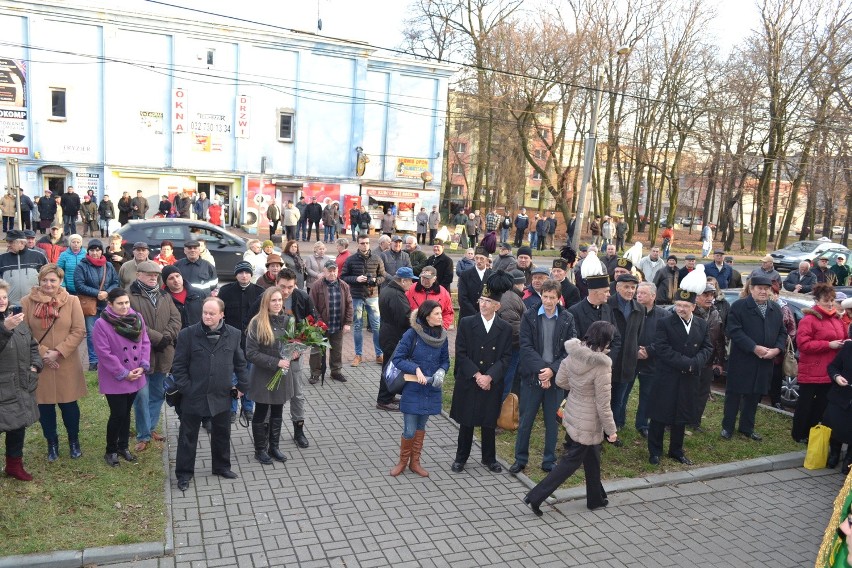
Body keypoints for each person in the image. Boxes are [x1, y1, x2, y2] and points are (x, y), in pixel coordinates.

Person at [522, 321, 618, 516]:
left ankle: (596, 498)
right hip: (589, 420)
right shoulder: (602, 367)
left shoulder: (573, 354)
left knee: (592, 457)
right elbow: (603, 403)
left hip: (574, 411)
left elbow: (560, 381)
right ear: (605, 341)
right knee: (569, 463)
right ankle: (535, 497)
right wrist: (611, 430)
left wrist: (578, 390)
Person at [173, 297, 249, 492]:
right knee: (188, 436)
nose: (207, 316)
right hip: (193, 394)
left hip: (221, 394)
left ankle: (221, 467)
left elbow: (240, 363)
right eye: (205, 312)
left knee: (222, 433)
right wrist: (187, 388)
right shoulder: (187, 334)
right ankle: (184, 474)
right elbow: (178, 366)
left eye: (212, 313)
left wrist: (242, 385)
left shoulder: (233, 334)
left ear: (222, 314)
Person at [510, 280, 576, 476]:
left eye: (552, 298)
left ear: (558, 298)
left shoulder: (567, 318)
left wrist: (552, 371)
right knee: (526, 421)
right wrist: (542, 371)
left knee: (551, 423)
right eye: (545, 297)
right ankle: (520, 459)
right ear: (541, 296)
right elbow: (526, 346)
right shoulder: (529, 316)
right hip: (532, 377)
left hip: (556, 379)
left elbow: (570, 349)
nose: (548, 301)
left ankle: (549, 460)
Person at [21, 264, 87, 461]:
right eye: (45, 280)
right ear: (39, 281)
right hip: (40, 363)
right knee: (45, 407)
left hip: (65, 361)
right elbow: (24, 333)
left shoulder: (72, 301)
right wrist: (43, 353)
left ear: (60, 282)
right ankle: (52, 443)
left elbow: (79, 330)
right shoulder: (27, 302)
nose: (48, 284)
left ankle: (74, 442)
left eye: (53, 280)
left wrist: (58, 352)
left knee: (69, 406)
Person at [449, 283, 512, 473]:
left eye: (488, 301)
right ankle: (461, 457)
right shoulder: (467, 323)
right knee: (466, 422)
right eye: (482, 300)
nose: (483, 305)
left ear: (497, 306)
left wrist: (490, 377)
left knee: (488, 420)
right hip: (470, 378)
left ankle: (489, 458)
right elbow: (461, 353)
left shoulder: (505, 328)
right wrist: (477, 375)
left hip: (491, 381)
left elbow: (506, 357)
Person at [647, 284, 713, 466]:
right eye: (678, 305)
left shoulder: (701, 324)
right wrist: (686, 363)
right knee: (660, 415)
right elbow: (662, 348)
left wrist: (697, 362)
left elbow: (707, 347)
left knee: (681, 415)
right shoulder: (665, 322)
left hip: (689, 378)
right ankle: (655, 451)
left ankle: (676, 450)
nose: (681, 309)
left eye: (685, 306)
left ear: (693, 306)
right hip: (667, 377)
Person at [388, 300, 450, 478]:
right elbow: (398, 359)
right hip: (413, 388)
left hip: (431, 389)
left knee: (421, 427)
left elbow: (446, 360)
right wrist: (415, 368)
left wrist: (441, 371)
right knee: (409, 429)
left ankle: (415, 462)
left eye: (441, 313)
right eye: (437, 314)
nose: (441, 316)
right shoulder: (412, 334)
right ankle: (402, 462)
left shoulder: (442, 336)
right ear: (427, 316)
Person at [722, 275, 787, 441]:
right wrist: (753, 347)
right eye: (760, 288)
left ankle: (747, 427)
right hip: (742, 360)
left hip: (765, 361)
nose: (763, 292)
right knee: (734, 395)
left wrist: (777, 349)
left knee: (754, 396)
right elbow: (734, 330)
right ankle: (727, 427)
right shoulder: (739, 306)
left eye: (766, 289)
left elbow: (782, 332)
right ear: (751, 289)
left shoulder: (775, 308)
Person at [92, 288, 150, 466]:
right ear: (110, 304)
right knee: (117, 414)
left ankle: (123, 446)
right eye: (120, 303)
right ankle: (110, 450)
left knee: (126, 413)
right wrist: (123, 373)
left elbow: (145, 342)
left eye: (127, 302)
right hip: (115, 377)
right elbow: (104, 353)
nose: (125, 306)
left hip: (136, 373)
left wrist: (143, 365)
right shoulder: (101, 324)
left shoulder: (137, 318)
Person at [244, 287, 302, 465]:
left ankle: (274, 447)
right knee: (261, 412)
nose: (277, 304)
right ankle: (260, 449)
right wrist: (275, 362)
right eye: (273, 300)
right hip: (263, 375)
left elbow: (294, 346)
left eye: (279, 300)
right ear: (266, 302)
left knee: (278, 410)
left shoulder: (288, 321)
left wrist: (295, 354)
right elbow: (251, 353)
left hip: (282, 375)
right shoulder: (257, 323)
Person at [792, 283, 848, 443]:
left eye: (832, 300)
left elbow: (843, 339)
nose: (830, 303)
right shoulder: (809, 319)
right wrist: (828, 345)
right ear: (817, 300)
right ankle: (799, 434)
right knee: (805, 404)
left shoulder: (837, 320)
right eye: (826, 300)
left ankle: (812, 432)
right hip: (812, 370)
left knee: (822, 405)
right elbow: (803, 344)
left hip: (830, 371)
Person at [0, 278, 42, 480]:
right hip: (2, 388)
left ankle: (14, 466)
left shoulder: (15, 318)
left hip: (19, 384)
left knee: (17, 427)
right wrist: (4, 329)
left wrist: (35, 366)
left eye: (4, 296)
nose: (2, 300)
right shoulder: (8, 323)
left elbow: (32, 345)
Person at [217, 261, 264, 419]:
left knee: (249, 375)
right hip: (231, 341)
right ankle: (231, 408)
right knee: (231, 376)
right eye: (240, 272)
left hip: (251, 342)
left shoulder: (259, 292)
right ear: (236, 275)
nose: (244, 275)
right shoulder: (225, 291)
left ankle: (248, 407)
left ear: (251, 274)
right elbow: (220, 315)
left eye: (247, 272)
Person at [74, 239, 120, 371]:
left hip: (106, 304)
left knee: (109, 332)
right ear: (88, 251)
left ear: (101, 251)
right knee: (92, 333)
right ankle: (94, 361)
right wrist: (96, 293)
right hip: (90, 305)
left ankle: (109, 359)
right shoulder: (82, 266)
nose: (95, 253)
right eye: (92, 250)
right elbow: (79, 284)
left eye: (98, 250)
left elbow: (116, 282)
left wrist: (107, 292)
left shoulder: (108, 266)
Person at [607, 273, 644, 433]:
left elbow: (638, 335)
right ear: (617, 287)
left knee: (619, 400)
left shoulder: (639, 309)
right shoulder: (607, 304)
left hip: (627, 362)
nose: (630, 291)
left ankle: (613, 430)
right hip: (609, 360)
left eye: (633, 287)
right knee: (604, 398)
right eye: (626, 287)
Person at [341, 233, 385, 367]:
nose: (364, 245)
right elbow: (343, 276)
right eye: (362, 243)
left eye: (366, 243)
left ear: (369, 244)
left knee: (377, 326)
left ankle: (379, 354)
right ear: (358, 244)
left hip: (372, 296)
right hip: (356, 296)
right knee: (358, 326)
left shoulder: (377, 258)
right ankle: (358, 355)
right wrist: (356, 279)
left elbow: (383, 276)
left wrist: (374, 281)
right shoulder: (351, 259)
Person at [377, 267, 416, 411]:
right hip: (393, 336)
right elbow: (405, 318)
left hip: (388, 333)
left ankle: (389, 394)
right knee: (391, 368)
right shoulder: (396, 294)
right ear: (403, 280)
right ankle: (384, 399)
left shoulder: (389, 289)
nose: (412, 284)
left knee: (389, 366)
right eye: (411, 280)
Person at [309, 260, 353, 384]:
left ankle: (336, 372)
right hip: (320, 326)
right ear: (324, 271)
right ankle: (315, 373)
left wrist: (348, 323)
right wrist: (319, 322)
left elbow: (350, 304)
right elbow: (312, 306)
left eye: (334, 270)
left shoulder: (344, 285)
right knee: (317, 351)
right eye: (330, 271)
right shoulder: (317, 285)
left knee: (337, 350)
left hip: (337, 325)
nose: (332, 273)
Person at [634, 282, 667, 437]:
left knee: (647, 394)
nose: (639, 295)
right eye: (638, 292)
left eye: (643, 293)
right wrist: (634, 350)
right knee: (622, 393)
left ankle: (642, 424)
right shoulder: (631, 310)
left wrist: (649, 350)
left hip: (651, 361)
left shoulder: (664, 315)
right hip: (631, 358)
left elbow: (664, 339)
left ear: (653, 296)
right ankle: (618, 422)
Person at [825, 343, 852, 473]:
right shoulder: (848, 347)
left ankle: (849, 458)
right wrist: (837, 377)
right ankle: (834, 453)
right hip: (841, 396)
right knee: (836, 426)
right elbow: (833, 367)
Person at [0, 230, 47, 303]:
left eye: (11, 242)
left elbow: (48, 278)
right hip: (9, 306)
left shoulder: (39, 256)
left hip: (34, 305)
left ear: (22, 243)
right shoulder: (1, 258)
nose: (8, 245)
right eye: (7, 242)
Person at [406, 265, 454, 330]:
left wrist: (443, 327)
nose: (425, 281)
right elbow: (404, 308)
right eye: (423, 278)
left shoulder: (443, 292)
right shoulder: (411, 289)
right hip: (415, 328)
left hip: (436, 329)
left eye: (428, 278)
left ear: (434, 279)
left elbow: (449, 312)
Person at [457, 247, 491, 319]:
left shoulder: (492, 275)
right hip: (468, 316)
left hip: (486, 316)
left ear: (487, 260)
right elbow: (462, 298)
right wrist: (475, 314)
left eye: (482, 258)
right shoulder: (465, 275)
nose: (478, 261)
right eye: (476, 258)